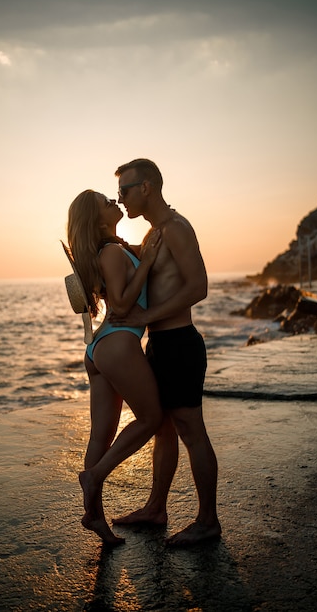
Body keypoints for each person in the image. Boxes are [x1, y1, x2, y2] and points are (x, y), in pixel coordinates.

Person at [110, 159, 221, 546]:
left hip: (180, 344)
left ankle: (208, 521)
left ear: (147, 187)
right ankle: (156, 508)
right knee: (163, 429)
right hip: (159, 344)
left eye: (125, 190)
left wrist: (147, 315)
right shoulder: (155, 234)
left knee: (191, 429)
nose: (120, 198)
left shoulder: (176, 228)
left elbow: (198, 287)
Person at [66, 189, 163, 546]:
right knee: (151, 419)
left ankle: (95, 518)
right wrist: (148, 263)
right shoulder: (109, 253)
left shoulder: (111, 248)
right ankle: (95, 476)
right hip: (118, 341)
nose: (114, 202)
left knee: (100, 437)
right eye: (106, 202)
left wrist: (144, 252)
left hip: (98, 349)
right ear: (96, 219)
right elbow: (122, 305)